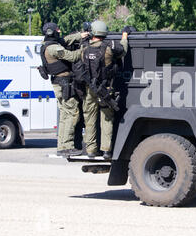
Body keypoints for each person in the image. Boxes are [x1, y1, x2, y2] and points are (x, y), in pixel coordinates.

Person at [81, 21, 129, 159]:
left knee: (89, 119)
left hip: (90, 89)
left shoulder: (84, 48)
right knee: (106, 119)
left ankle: (90, 150)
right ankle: (106, 150)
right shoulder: (109, 47)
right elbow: (123, 50)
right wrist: (124, 35)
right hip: (106, 88)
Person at [40, 22, 89, 157]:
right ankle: (67, 146)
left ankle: (62, 146)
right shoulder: (54, 49)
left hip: (60, 83)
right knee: (72, 114)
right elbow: (72, 56)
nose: (60, 31)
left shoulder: (48, 44)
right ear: (52, 32)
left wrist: (80, 35)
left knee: (64, 115)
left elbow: (64, 40)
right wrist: (86, 49)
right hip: (64, 84)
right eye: (57, 30)